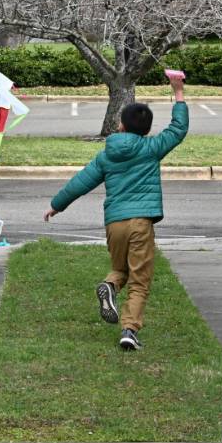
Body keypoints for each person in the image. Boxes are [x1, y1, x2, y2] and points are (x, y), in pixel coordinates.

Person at [43, 72, 189, 351]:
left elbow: (81, 182)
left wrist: (56, 205)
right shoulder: (152, 148)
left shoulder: (106, 155)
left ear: (121, 124)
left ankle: (109, 286)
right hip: (140, 222)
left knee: (119, 269)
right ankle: (129, 330)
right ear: (146, 130)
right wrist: (178, 93)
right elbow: (177, 129)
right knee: (140, 279)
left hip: (114, 224)